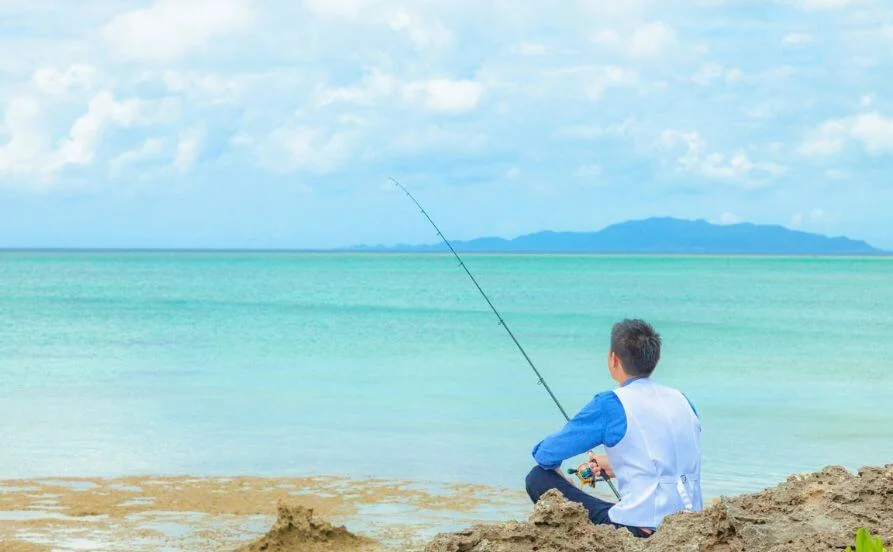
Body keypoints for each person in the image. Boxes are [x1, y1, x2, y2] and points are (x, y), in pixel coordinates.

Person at [525, 319, 702, 538]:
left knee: (538, 478)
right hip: (693, 524)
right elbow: (671, 457)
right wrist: (618, 465)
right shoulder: (682, 399)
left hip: (642, 529)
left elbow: (545, 454)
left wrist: (563, 478)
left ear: (613, 359)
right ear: (655, 359)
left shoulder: (611, 403)